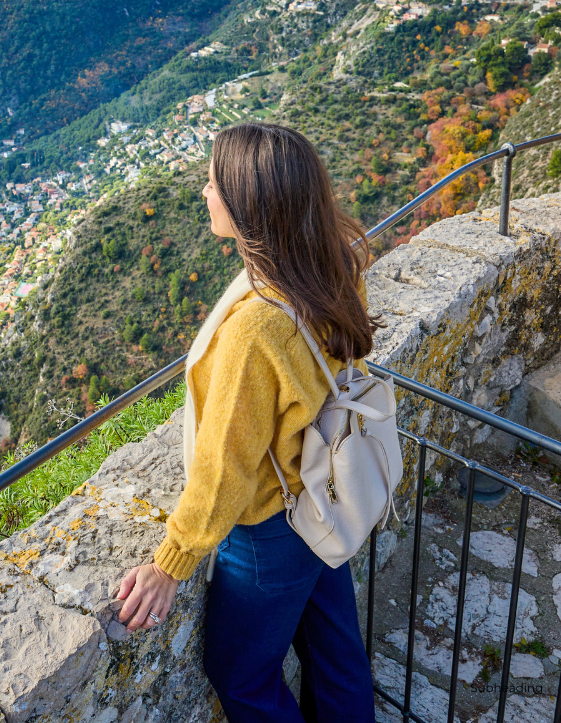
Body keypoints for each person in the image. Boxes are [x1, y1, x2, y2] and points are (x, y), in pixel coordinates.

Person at [114, 122, 378, 722]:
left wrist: (168, 564)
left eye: (214, 183)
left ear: (248, 205)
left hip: (269, 530)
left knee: (240, 676)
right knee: (335, 654)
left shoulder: (256, 330)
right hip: (322, 493)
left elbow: (224, 468)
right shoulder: (333, 261)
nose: (204, 191)